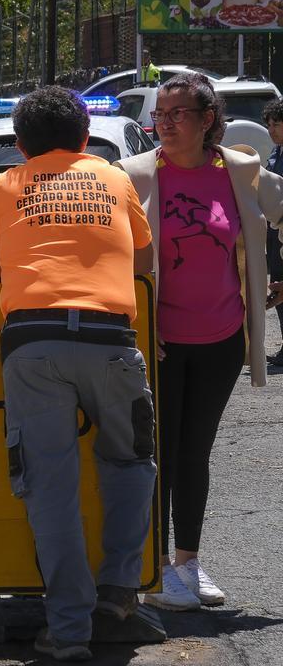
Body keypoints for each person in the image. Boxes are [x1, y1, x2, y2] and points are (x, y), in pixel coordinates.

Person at [0, 86, 158, 662]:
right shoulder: (116, 180)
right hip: (112, 341)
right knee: (130, 461)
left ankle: (70, 632)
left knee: (51, 488)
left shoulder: (9, 184)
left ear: (21, 145)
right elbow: (143, 260)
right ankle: (119, 589)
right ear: (84, 139)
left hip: (32, 346)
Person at [118, 72, 283, 611]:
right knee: (158, 452)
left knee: (195, 452)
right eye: (159, 115)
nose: (163, 124)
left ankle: (188, 563)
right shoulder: (134, 175)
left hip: (220, 337)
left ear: (207, 119)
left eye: (177, 114)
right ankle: (155, 567)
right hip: (158, 339)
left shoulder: (242, 172)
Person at [264, 99, 283, 366]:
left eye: (277, 124)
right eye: (268, 125)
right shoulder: (276, 152)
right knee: (278, 288)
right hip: (273, 231)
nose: (271, 130)